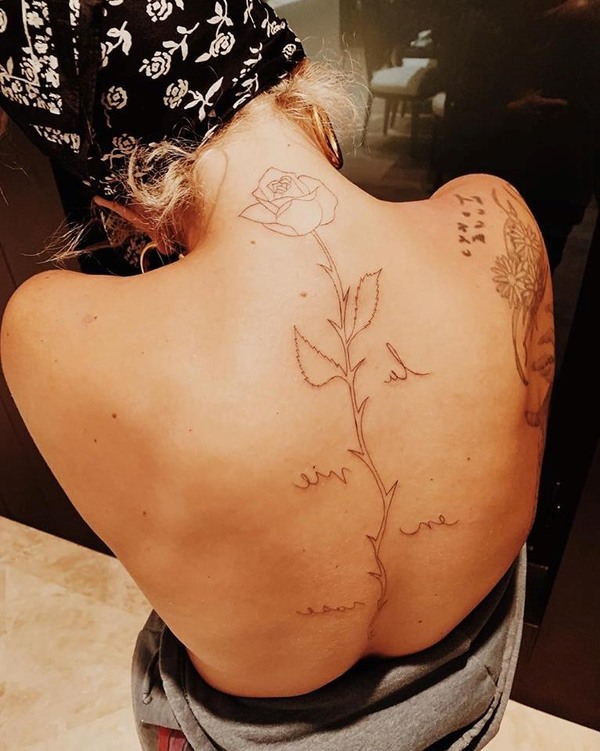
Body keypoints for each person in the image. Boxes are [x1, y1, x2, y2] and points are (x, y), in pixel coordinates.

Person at [0, 2, 554, 749]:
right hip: (466, 699)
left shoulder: (49, 328)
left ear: (127, 211)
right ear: (308, 95)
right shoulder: (496, 218)